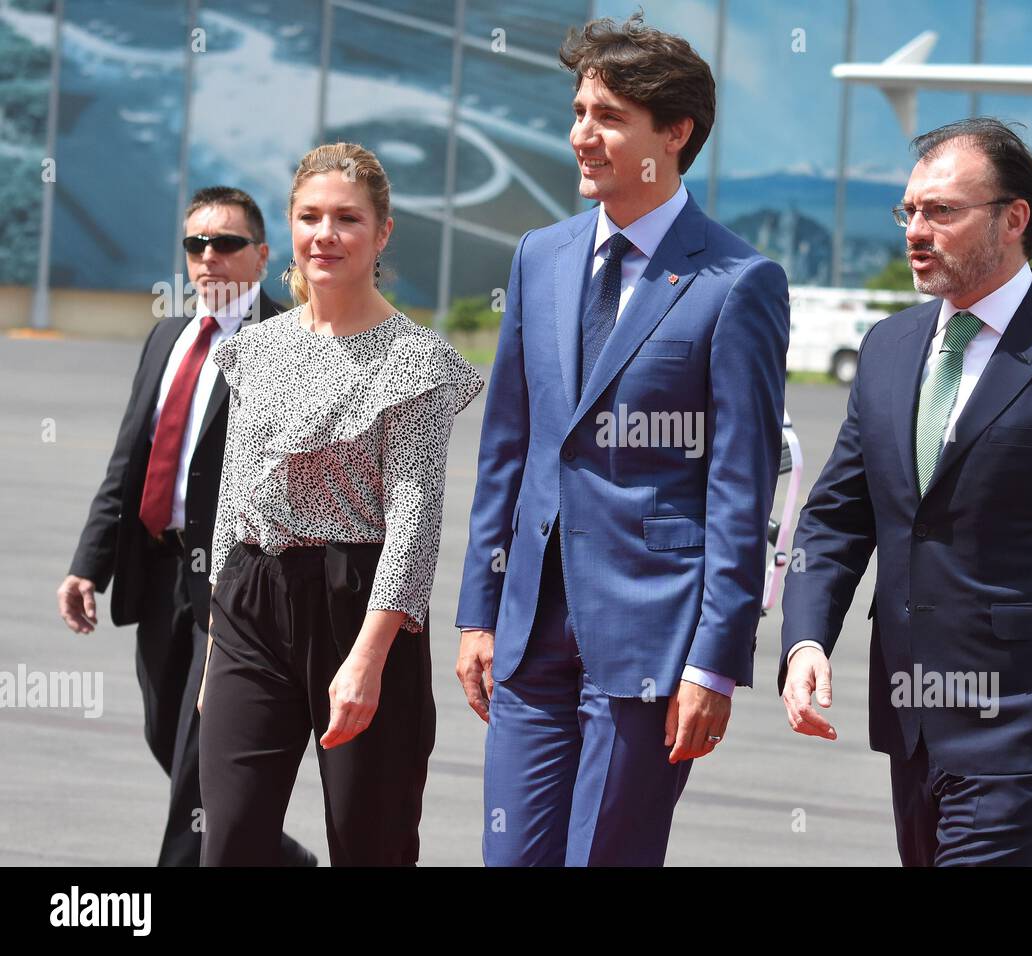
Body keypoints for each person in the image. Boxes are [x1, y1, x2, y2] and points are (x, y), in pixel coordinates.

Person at [778, 118, 1032, 866]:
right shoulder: (889, 347)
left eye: (941, 212)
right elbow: (836, 517)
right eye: (909, 212)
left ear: (1013, 218)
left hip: (1023, 715)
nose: (916, 231)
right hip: (911, 712)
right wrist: (805, 639)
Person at [455, 13, 789, 867]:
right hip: (531, 627)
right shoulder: (541, 255)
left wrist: (716, 662)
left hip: (652, 635)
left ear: (673, 133)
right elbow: (510, 448)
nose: (581, 136)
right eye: (577, 112)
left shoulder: (738, 282)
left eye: (607, 117)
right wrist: (478, 612)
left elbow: (739, 489)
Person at [197, 143, 483, 866]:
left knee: (371, 845)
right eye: (310, 216)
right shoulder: (253, 349)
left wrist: (367, 660)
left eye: (347, 219)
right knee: (227, 840)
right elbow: (234, 498)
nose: (325, 234)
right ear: (290, 228)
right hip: (250, 603)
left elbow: (414, 526)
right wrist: (213, 648)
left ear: (382, 233)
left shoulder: (415, 361)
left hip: (361, 607)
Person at [58, 187, 313, 866]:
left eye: (227, 244)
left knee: (201, 750)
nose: (209, 258)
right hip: (158, 569)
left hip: (235, 584)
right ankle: (276, 854)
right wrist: (90, 562)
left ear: (261, 256)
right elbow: (129, 459)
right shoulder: (167, 336)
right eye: (196, 244)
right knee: (163, 732)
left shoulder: (286, 345)